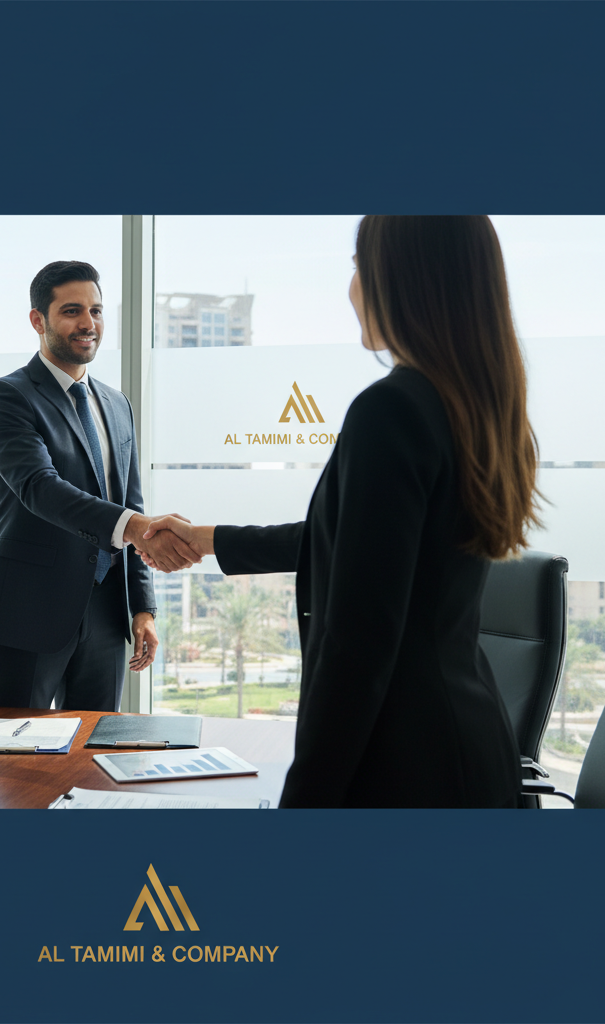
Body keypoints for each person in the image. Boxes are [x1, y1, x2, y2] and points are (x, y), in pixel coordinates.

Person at [142, 217, 541, 807]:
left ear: (402, 277)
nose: (350, 287)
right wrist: (206, 539)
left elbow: (357, 650)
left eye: (358, 265)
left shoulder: (391, 409)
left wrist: (302, 805)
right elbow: (365, 542)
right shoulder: (472, 407)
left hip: (405, 766)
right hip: (469, 750)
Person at [0, 260, 198, 711]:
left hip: (108, 615)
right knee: (14, 763)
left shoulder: (116, 404)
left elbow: (130, 502)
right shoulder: (6, 397)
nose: (88, 323)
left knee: (96, 758)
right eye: (72, 311)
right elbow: (39, 488)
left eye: (96, 310)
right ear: (38, 320)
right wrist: (136, 527)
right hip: (28, 610)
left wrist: (143, 609)